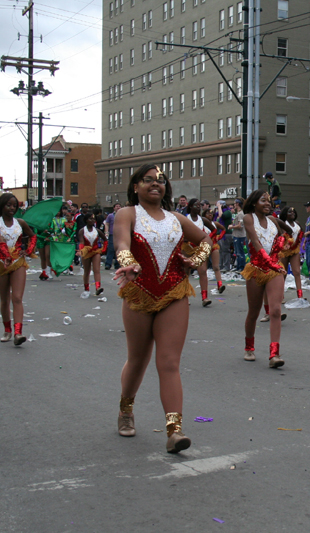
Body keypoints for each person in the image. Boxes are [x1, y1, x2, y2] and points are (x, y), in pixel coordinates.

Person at [112, 164, 212, 453]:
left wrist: (196, 259)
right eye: (148, 180)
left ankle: (174, 431)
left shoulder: (177, 218)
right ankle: (126, 408)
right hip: (139, 293)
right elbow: (121, 241)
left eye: (160, 181)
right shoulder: (127, 214)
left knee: (168, 363)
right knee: (138, 360)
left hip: (174, 293)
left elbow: (206, 239)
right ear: (136, 186)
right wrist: (127, 261)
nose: (155, 184)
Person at [241, 190, 290, 367]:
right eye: (263, 200)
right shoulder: (248, 218)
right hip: (255, 269)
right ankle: (249, 347)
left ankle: (274, 354)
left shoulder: (273, 221)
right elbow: (255, 242)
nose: (268, 203)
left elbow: (283, 237)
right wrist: (270, 262)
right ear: (254, 203)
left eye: (269, 201)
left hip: (274, 269)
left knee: (276, 310)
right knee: (253, 312)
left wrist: (285, 244)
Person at [0, 193, 36, 345]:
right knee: (5, 299)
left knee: (17, 297)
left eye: (14, 206)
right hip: (1, 262)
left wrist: (28, 251)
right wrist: (5, 256)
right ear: (1, 206)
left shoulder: (20, 222)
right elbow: (0, 241)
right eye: (8, 205)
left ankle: (18, 333)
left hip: (18, 262)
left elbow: (32, 236)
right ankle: (7, 330)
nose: (11, 208)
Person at [185, 198, 218, 307]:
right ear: (190, 206)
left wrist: (208, 238)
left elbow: (214, 230)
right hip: (187, 248)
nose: (198, 207)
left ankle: (205, 297)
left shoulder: (203, 219)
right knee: (185, 273)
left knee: (202, 271)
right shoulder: (185, 219)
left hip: (199, 248)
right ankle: (185, 297)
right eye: (196, 205)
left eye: (199, 205)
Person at [77, 213, 108, 297]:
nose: (92, 221)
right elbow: (82, 242)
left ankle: (98, 287)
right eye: (90, 219)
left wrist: (104, 249)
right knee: (87, 271)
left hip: (95, 252)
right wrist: (82, 249)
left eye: (94, 219)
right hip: (86, 252)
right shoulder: (82, 231)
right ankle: (86, 288)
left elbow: (105, 239)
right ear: (86, 220)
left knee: (96, 270)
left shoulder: (97, 230)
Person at [278, 206, 305, 299]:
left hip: (294, 250)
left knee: (297, 272)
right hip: (284, 251)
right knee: (283, 273)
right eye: (290, 212)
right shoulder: (282, 223)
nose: (292, 213)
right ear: (285, 214)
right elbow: (281, 235)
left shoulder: (297, 223)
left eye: (293, 212)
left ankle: (300, 296)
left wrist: (300, 241)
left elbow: (301, 232)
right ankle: (280, 296)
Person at [229, 198, 248, 271]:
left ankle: (241, 267)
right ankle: (238, 267)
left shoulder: (240, 214)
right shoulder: (238, 213)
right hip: (236, 235)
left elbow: (240, 226)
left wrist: (232, 227)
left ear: (237, 204)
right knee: (237, 252)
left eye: (234, 204)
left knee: (240, 252)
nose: (234, 205)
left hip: (240, 235)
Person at [104, 203, 121, 270]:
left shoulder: (123, 215)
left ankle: (117, 264)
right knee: (111, 249)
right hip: (112, 234)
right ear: (114, 208)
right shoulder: (110, 216)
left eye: (119, 206)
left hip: (120, 234)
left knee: (119, 249)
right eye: (116, 206)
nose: (118, 207)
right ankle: (108, 264)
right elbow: (107, 224)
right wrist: (106, 232)